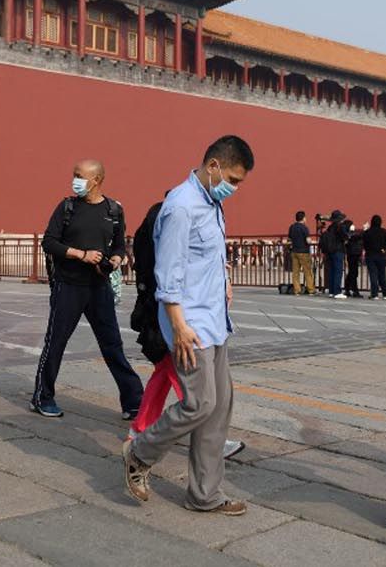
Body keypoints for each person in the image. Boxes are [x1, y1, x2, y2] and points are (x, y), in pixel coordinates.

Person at [123, 136, 254, 516]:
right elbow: (169, 272)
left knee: (219, 409)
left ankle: (204, 495)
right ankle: (140, 453)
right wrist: (178, 325)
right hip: (190, 324)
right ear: (213, 165)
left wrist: (225, 280)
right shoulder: (180, 206)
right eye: (233, 178)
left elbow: (206, 257)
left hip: (214, 321)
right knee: (199, 404)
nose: (234, 187)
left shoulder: (211, 203)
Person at [127, 194, 244, 460]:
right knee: (196, 394)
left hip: (181, 314)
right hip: (172, 315)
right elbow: (164, 274)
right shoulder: (172, 215)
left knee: (169, 374)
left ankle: (141, 430)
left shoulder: (175, 214)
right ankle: (142, 441)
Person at [32, 159, 143, 418]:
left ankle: (133, 401)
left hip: (99, 287)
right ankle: (42, 397)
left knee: (112, 344)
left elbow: (118, 245)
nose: (75, 180)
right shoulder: (67, 207)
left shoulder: (114, 210)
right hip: (68, 285)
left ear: (96, 180)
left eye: (80, 175)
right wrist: (81, 255)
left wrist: (116, 259)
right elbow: (49, 242)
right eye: (74, 175)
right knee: (56, 342)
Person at [362, 215, 386, 300]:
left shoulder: (367, 232)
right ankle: (385, 294)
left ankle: (374, 294)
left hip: (370, 255)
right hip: (381, 255)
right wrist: (383, 249)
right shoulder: (384, 232)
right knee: (382, 275)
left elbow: (364, 244)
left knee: (373, 275)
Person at [322, 210, 348, 299]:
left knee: (332, 271)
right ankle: (337, 291)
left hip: (330, 251)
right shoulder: (340, 227)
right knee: (338, 271)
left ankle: (331, 291)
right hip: (338, 250)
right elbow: (345, 237)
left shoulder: (330, 228)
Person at [287, 211, 315, 295]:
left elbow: (289, 239)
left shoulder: (292, 227)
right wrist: (311, 242)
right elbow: (307, 240)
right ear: (303, 218)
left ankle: (297, 290)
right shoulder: (304, 228)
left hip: (294, 251)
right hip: (304, 252)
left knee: (295, 272)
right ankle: (311, 290)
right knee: (307, 272)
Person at [343, 218, 363, 298]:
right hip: (353, 255)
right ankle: (354, 290)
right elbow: (357, 238)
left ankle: (348, 289)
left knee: (352, 272)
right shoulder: (349, 235)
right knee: (353, 273)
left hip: (352, 255)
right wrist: (364, 231)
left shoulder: (349, 234)